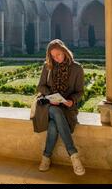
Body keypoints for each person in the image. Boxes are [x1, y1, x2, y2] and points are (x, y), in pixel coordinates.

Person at [36, 39, 85, 176]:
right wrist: (51, 95)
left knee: (53, 125)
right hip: (47, 106)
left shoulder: (77, 68)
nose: (56, 58)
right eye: (53, 56)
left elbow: (80, 91)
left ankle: (46, 157)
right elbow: (40, 86)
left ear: (64, 51)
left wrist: (71, 100)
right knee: (55, 110)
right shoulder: (48, 66)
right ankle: (74, 156)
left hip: (67, 108)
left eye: (58, 55)